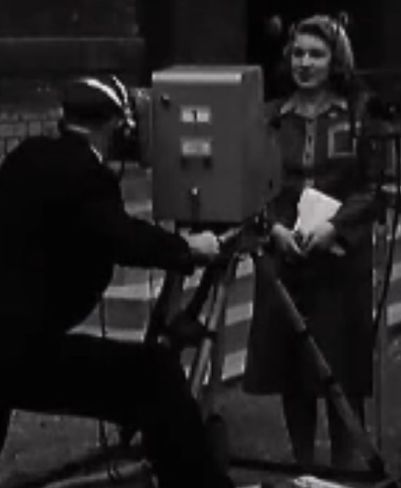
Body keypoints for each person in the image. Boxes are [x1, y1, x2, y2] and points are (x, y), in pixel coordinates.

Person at [0, 75, 234, 488]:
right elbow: (120, 236)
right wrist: (186, 248)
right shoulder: (88, 177)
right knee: (155, 377)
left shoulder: (26, 156)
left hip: (11, 340)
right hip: (21, 351)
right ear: (118, 127)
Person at [243, 15, 381, 470]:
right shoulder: (267, 117)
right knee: (292, 373)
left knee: (341, 371)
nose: (305, 62)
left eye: (316, 54)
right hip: (284, 260)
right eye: (298, 53)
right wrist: (273, 228)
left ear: (335, 60)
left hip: (340, 264)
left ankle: (343, 471)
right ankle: (302, 468)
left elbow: (374, 186)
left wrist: (335, 227)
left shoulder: (359, 116)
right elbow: (250, 185)